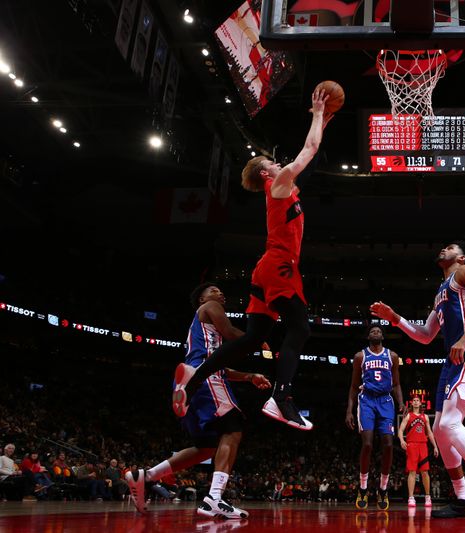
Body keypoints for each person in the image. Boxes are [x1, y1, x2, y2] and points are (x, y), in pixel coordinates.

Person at [173, 87, 332, 430]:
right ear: (265, 174)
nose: (279, 164)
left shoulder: (284, 189)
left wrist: (322, 121)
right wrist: (318, 113)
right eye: (273, 163)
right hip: (278, 265)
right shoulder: (277, 186)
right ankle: (283, 397)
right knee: (300, 328)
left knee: (249, 339)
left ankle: (194, 379)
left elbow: (311, 153)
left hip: (267, 268)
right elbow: (310, 149)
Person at [370, 241, 465, 520]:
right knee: (440, 429)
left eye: (450, 247)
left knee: (450, 424)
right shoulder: (441, 292)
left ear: (461, 257)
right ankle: (463, 498)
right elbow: (426, 334)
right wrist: (395, 318)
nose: (443, 249)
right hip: (453, 357)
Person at [127, 283, 271, 519]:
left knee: (206, 447)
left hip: (194, 379)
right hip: (206, 377)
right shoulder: (210, 307)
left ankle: (147, 476)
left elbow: (219, 362)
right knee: (233, 429)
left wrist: (248, 376)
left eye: (220, 291)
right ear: (202, 299)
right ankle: (214, 498)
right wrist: (255, 339)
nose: (220, 293)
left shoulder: (201, 329)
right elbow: (230, 333)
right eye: (213, 290)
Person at [345, 325, 404, 511]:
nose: (376, 331)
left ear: (383, 336)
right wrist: (349, 410)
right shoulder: (360, 357)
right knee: (368, 444)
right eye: (372, 330)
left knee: (387, 444)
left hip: (386, 401)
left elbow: (396, 384)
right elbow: (354, 386)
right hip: (367, 401)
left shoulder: (392, 356)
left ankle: (383, 489)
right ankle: (363, 488)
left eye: (379, 330)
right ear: (368, 336)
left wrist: (401, 402)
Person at [398, 394, 439, 507]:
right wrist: (402, 440)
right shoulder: (408, 416)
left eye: (417, 400)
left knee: (425, 472)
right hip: (411, 445)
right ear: (412, 403)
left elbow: (429, 432)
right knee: (412, 472)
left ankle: (428, 497)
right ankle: (411, 498)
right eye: (414, 400)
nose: (415, 402)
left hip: (423, 446)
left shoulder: (425, 417)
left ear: (420, 403)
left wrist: (435, 446)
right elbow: (400, 430)